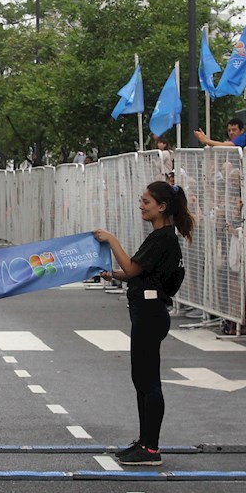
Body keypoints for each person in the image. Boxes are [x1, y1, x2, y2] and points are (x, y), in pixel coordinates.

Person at [93, 180, 194, 467]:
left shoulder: (164, 238)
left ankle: (151, 448)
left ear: (162, 207)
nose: (141, 206)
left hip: (151, 313)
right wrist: (112, 274)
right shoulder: (159, 236)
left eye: (146, 202)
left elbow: (133, 267)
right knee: (141, 379)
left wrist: (111, 240)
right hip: (145, 311)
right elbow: (136, 272)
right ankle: (144, 441)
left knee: (148, 381)